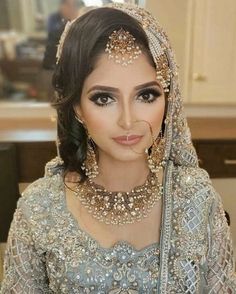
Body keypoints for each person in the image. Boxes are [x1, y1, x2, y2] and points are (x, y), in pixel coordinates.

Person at [1, 3, 236, 293]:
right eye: (103, 99)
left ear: (168, 99)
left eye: (146, 95)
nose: (128, 120)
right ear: (76, 107)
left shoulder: (197, 203)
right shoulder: (39, 210)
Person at [42, 0, 84, 70]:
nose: (71, 9)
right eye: (67, 5)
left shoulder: (82, 28)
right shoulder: (56, 25)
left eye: (73, 6)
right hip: (55, 70)